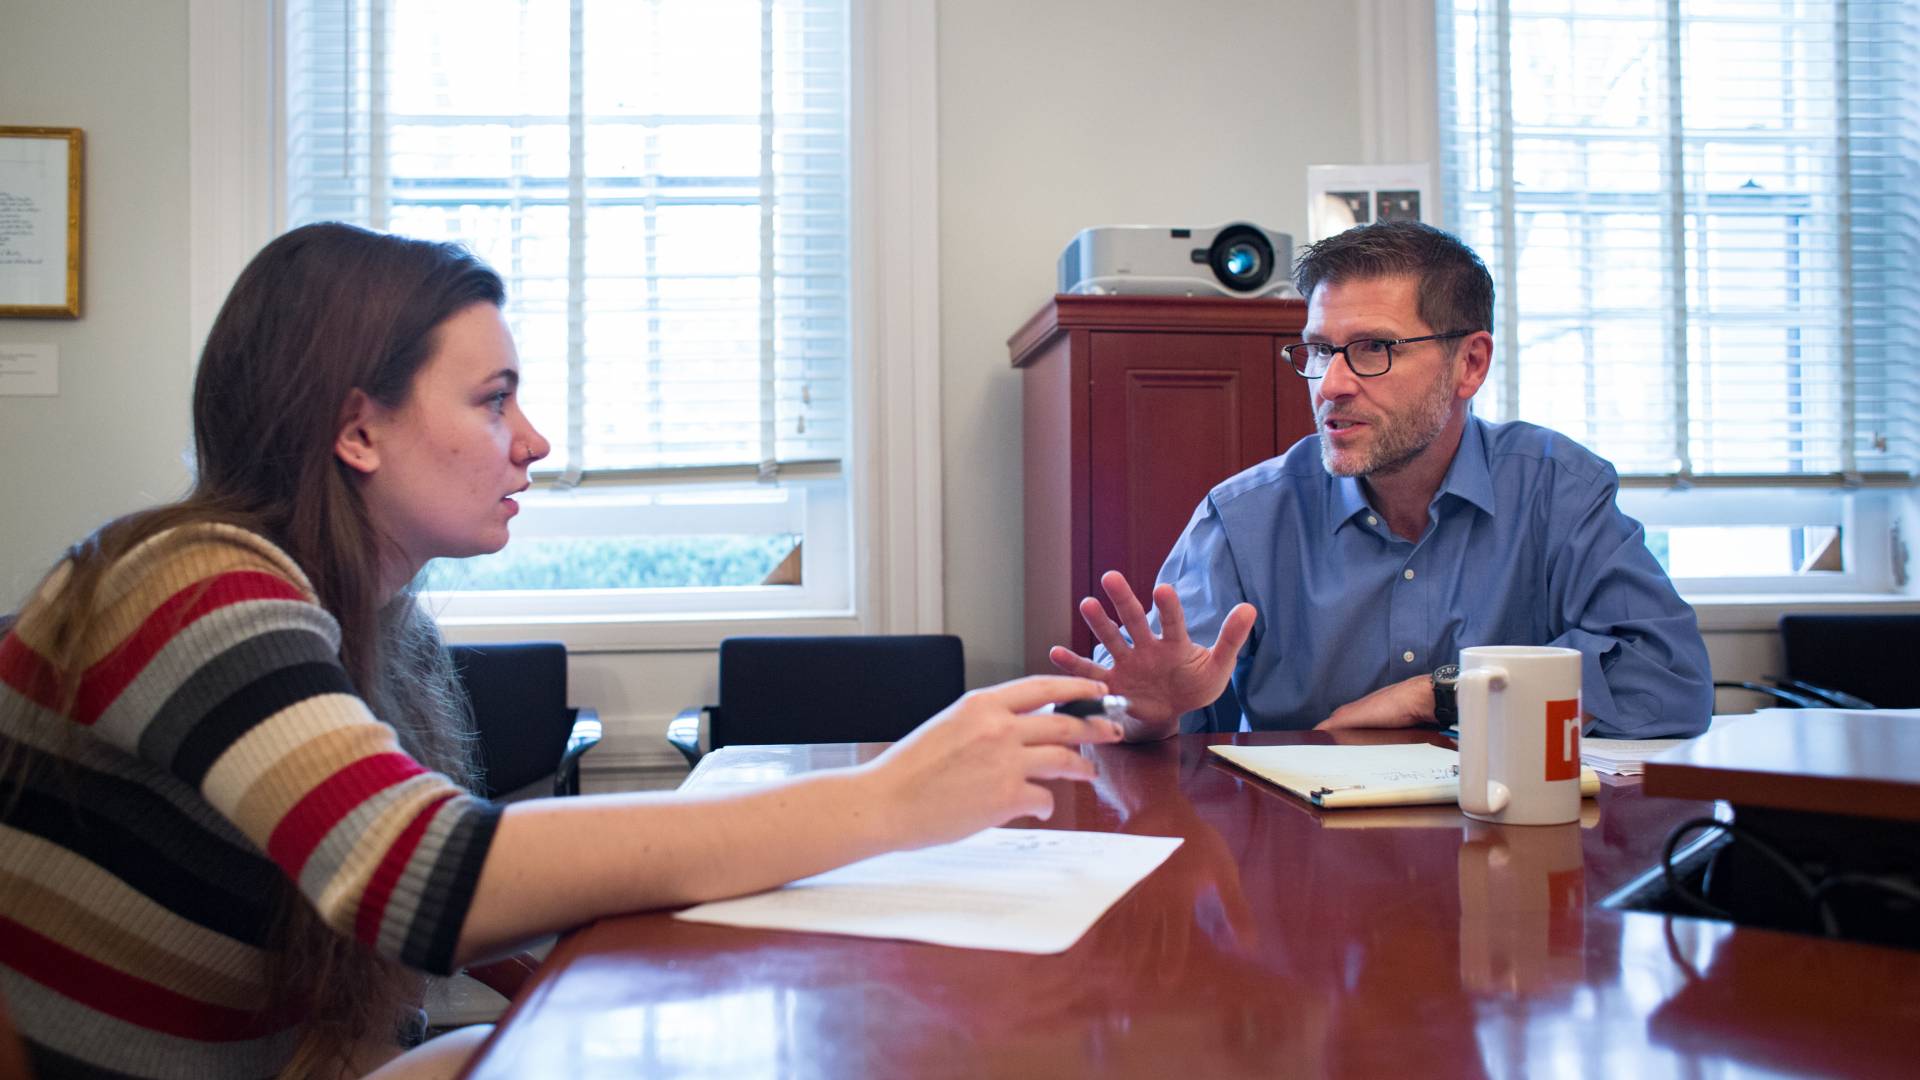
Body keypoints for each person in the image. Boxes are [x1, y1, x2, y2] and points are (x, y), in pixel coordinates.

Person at [0, 222, 1121, 1080]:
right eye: (494, 401)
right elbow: (418, 879)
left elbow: (447, 910)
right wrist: (887, 801)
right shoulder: (187, 584)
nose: (532, 441)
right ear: (356, 430)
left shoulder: (364, 621)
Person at [1050, 220, 1711, 742]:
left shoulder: (1556, 489)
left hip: (1510, 853)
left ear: (1470, 364)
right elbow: (1129, 716)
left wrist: (1442, 691)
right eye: (1317, 351)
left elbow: (1669, 674)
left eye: (1373, 349)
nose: (1331, 385)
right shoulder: (1248, 518)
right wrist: (1150, 714)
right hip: (1305, 867)